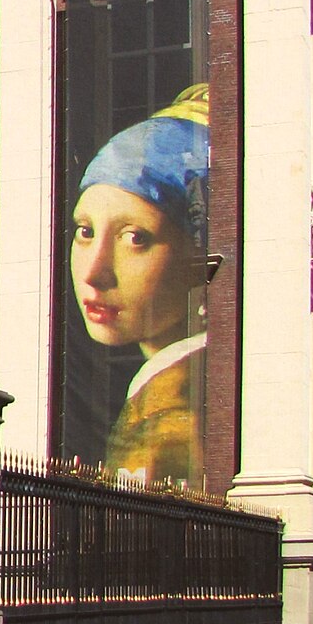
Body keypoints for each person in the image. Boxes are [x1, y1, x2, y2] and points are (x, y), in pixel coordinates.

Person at [70, 84, 210, 484]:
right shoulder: (159, 390)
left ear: (197, 253)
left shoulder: (174, 416)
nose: (95, 271)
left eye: (135, 237)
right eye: (85, 231)